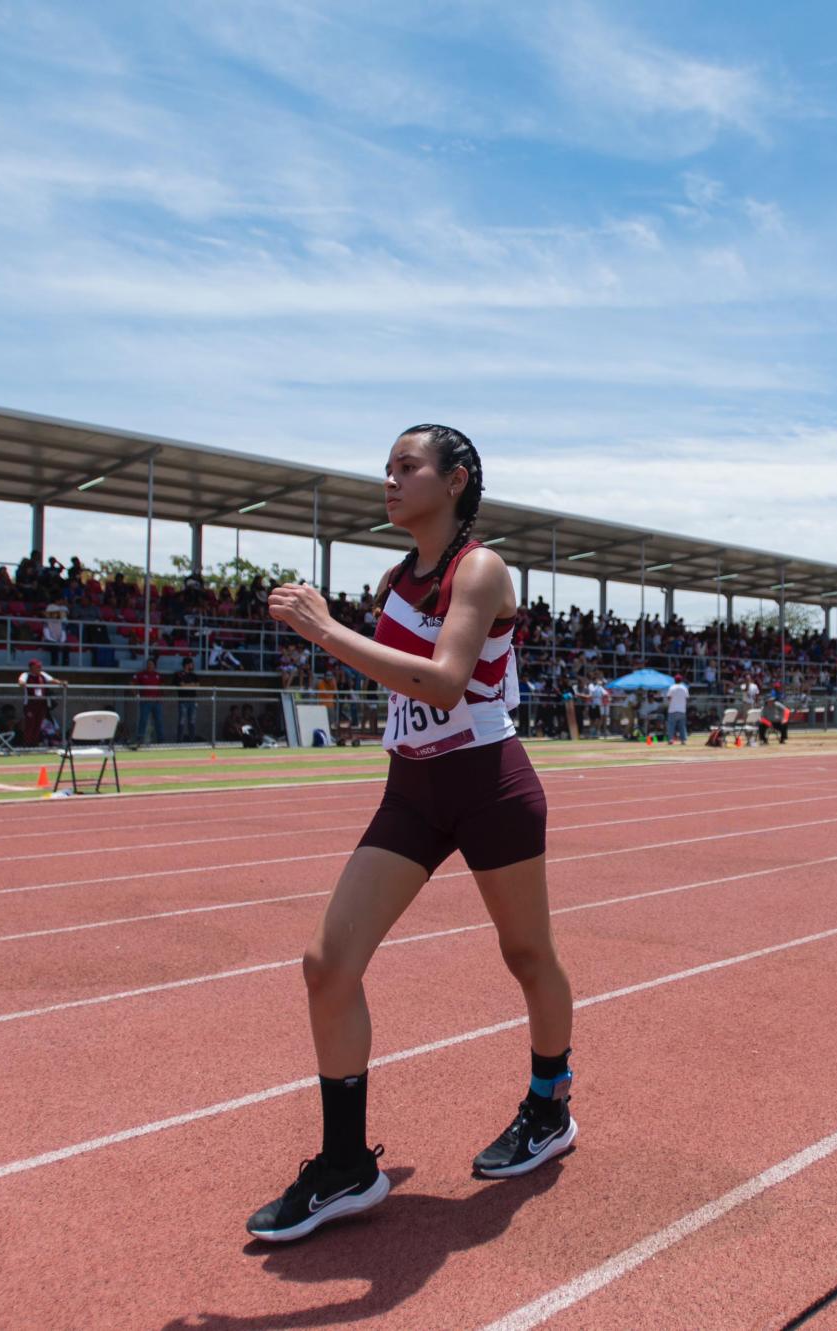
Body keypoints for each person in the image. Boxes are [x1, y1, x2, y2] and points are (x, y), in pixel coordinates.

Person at [248, 424, 573, 1242]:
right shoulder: (398, 575)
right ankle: (346, 1164)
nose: (389, 480)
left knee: (527, 954)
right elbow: (399, 680)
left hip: (490, 785)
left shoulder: (482, 567)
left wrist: (324, 630)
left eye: (406, 466)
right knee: (327, 962)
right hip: (413, 788)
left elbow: (444, 676)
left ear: (456, 480)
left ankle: (550, 1104)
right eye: (386, 467)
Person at [17, 658, 59, 746]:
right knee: (30, 724)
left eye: (40, 667)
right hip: (30, 704)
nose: (39, 668)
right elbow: (21, 681)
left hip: (41, 704)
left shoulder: (43, 675)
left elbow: (52, 680)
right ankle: (27, 744)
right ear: (32, 667)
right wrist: (22, 683)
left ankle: (34, 743)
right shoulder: (26, 675)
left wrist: (61, 683)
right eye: (37, 667)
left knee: (38, 724)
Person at [132, 658, 164, 746]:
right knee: (143, 720)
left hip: (157, 702)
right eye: (148, 664)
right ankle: (139, 740)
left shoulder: (158, 675)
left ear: (154, 666)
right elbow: (132, 684)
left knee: (159, 721)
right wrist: (136, 695)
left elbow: (162, 687)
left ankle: (161, 741)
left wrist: (161, 697)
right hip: (145, 701)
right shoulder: (141, 674)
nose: (150, 666)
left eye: (151, 664)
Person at [172, 656, 201, 741]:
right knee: (182, 721)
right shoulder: (179, 674)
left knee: (192, 722)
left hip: (193, 701)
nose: (193, 665)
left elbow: (198, 686)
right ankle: (179, 741)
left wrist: (187, 685)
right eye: (191, 664)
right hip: (183, 701)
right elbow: (181, 685)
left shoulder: (194, 675)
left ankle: (192, 740)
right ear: (187, 665)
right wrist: (191, 685)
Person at [664, 674, 690, 745]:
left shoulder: (672, 687)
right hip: (682, 710)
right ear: (681, 680)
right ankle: (683, 740)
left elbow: (669, 697)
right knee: (682, 726)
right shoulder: (684, 688)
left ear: (674, 680)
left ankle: (670, 740)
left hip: (672, 709)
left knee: (671, 726)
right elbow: (687, 698)